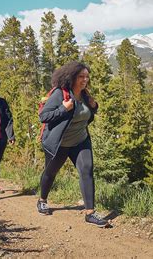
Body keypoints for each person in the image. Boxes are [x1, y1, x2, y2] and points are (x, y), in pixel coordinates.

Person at [37, 61, 108, 228]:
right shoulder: (60, 94)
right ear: (72, 77)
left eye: (87, 77)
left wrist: (94, 106)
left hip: (80, 141)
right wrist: (63, 108)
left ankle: (90, 213)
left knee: (86, 170)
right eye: (81, 77)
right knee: (50, 172)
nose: (84, 80)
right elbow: (44, 116)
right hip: (59, 143)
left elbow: (85, 113)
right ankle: (42, 200)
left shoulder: (84, 95)